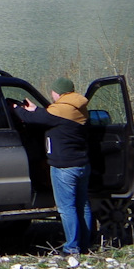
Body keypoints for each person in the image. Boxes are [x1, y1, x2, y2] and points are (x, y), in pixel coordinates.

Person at [19, 80, 93, 258]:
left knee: (66, 208)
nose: (51, 94)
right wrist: (36, 109)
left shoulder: (59, 110)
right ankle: (86, 244)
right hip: (82, 164)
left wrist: (16, 108)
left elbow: (31, 119)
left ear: (58, 93)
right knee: (83, 205)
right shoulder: (78, 107)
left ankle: (71, 248)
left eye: (52, 91)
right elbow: (47, 116)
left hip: (64, 167)